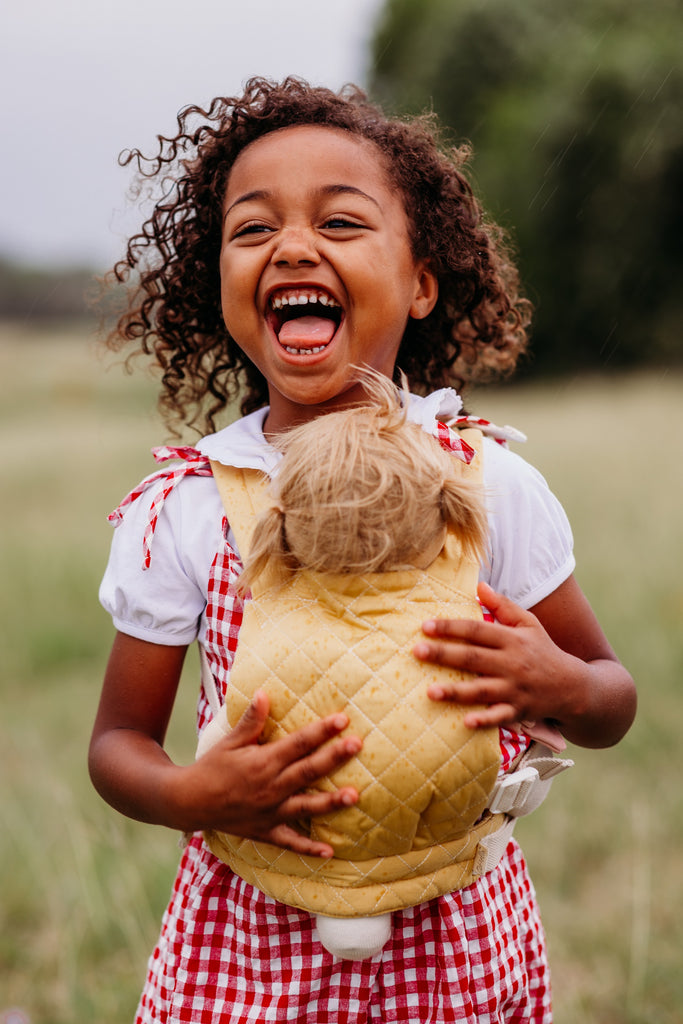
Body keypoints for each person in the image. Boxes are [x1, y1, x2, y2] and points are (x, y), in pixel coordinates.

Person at [89, 77, 636, 1023]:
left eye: (339, 224)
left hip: (458, 942)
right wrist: (191, 792)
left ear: (422, 281)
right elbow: (116, 744)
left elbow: (609, 697)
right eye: (252, 231)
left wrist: (561, 685)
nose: (292, 245)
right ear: (217, 283)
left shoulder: (486, 486)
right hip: (248, 943)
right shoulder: (185, 506)